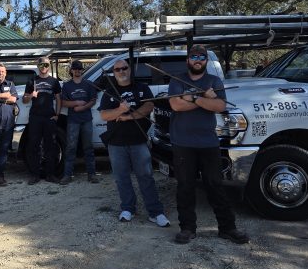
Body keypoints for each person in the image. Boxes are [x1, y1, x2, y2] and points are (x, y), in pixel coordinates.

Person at [167, 44, 249, 245]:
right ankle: (187, 228)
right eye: (194, 56)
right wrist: (204, 98)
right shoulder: (177, 80)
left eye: (201, 57)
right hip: (182, 142)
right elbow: (176, 105)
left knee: (215, 186)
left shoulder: (214, 81)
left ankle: (227, 228)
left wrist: (193, 98)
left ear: (206, 60)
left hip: (208, 143)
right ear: (188, 60)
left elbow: (219, 106)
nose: (198, 60)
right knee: (185, 186)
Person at [98, 60, 169, 227]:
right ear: (114, 72)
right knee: (121, 177)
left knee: (146, 176)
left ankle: (155, 212)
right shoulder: (109, 91)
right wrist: (120, 110)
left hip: (138, 140)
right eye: (117, 69)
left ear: (129, 69)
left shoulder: (141, 88)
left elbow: (149, 106)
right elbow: (104, 115)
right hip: (116, 142)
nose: (121, 71)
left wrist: (128, 116)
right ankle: (128, 208)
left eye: (124, 68)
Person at [23, 56, 62, 184]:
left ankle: (50, 175)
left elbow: (58, 98)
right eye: (41, 65)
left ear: (49, 66)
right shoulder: (32, 81)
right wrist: (30, 95)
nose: (44, 67)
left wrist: (57, 114)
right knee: (34, 146)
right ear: (38, 66)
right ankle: (35, 175)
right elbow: (24, 100)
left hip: (49, 117)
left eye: (46, 65)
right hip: (35, 118)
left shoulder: (54, 81)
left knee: (50, 146)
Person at [59, 60, 99, 184]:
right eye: (75, 69)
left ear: (82, 70)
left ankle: (92, 174)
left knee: (88, 147)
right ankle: (67, 175)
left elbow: (93, 100)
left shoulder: (88, 84)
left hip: (86, 119)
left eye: (79, 69)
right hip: (73, 120)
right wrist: (76, 103)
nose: (77, 71)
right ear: (71, 70)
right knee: (71, 148)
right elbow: (63, 102)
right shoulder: (67, 85)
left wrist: (82, 107)